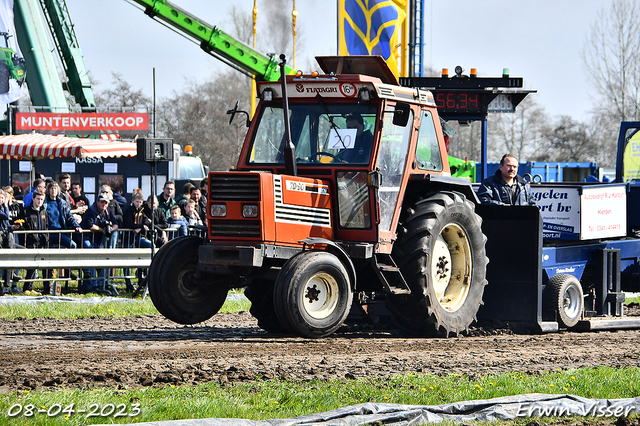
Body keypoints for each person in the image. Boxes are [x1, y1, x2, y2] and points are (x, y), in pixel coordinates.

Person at [80, 193, 119, 293]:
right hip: (86, 238)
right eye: (102, 202)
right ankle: (93, 284)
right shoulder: (91, 211)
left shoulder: (108, 212)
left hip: (98, 240)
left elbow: (116, 224)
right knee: (91, 258)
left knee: (105, 259)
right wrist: (103, 230)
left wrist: (111, 229)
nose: (104, 205)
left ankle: (99, 283)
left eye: (105, 203)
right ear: (97, 202)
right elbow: (90, 225)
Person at [18, 190, 49, 295]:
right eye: (38, 199)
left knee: (36, 266)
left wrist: (46, 238)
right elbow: (20, 225)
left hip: (41, 242)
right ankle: (27, 287)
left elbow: (46, 227)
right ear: (33, 199)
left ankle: (29, 287)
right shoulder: (26, 211)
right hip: (29, 242)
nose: (39, 201)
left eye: (41, 199)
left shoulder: (44, 212)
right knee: (31, 266)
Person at [43, 181, 82, 249]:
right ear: (48, 190)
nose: (53, 190)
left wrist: (76, 226)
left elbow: (69, 216)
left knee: (73, 245)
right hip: (48, 232)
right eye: (51, 188)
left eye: (55, 188)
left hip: (60, 232)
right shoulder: (44, 202)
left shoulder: (62, 203)